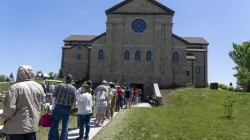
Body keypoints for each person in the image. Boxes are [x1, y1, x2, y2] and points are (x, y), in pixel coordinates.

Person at [2, 65, 44, 140]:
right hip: (32, 125)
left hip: (15, 128)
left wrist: (5, 119)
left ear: (19, 73)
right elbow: (41, 103)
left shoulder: (15, 87)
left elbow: (9, 108)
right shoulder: (39, 87)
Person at [48, 74, 77, 140]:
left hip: (57, 107)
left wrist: (50, 105)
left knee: (54, 123)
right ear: (71, 80)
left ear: (65, 79)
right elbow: (74, 100)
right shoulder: (73, 88)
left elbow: (53, 96)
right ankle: (63, 138)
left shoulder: (59, 85)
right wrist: (72, 107)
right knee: (65, 125)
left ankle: (52, 138)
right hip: (67, 108)